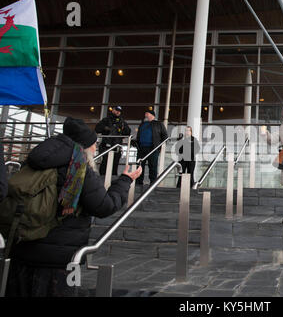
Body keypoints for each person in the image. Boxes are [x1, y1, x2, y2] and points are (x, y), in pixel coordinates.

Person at [6, 117, 142, 297]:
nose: (95, 148)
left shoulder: (33, 160)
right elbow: (104, 206)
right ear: (84, 145)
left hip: (21, 249)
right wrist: (125, 180)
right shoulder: (79, 167)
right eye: (93, 144)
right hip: (61, 260)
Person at [95, 105, 131, 176]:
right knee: (105, 163)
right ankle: (102, 178)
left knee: (115, 164)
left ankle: (113, 179)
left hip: (117, 146)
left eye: (119, 111)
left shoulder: (122, 121)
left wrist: (122, 128)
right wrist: (107, 128)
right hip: (106, 145)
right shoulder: (106, 120)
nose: (118, 112)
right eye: (116, 110)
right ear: (113, 110)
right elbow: (97, 129)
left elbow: (128, 132)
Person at [135, 109, 168, 185]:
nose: (146, 115)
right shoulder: (142, 124)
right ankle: (138, 182)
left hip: (153, 148)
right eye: (145, 113)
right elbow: (138, 136)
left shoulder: (159, 124)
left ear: (152, 115)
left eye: (147, 113)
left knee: (153, 166)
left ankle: (153, 183)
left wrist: (159, 147)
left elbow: (165, 136)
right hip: (141, 148)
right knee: (140, 166)